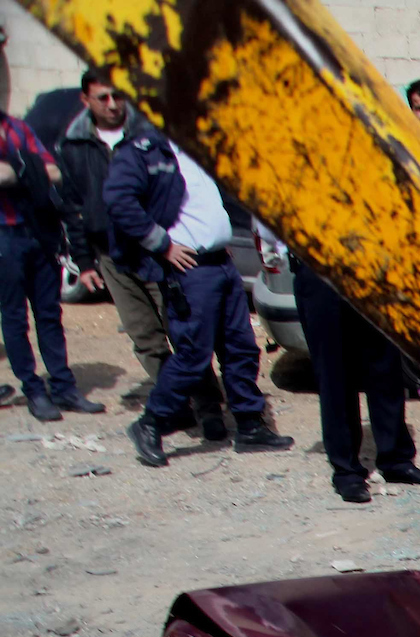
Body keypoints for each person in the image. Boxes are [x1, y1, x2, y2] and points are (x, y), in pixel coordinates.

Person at [107, 127, 290, 464]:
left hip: (221, 263)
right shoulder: (146, 149)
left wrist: (219, 240)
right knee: (193, 354)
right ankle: (151, 423)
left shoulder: (195, 146)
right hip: (191, 270)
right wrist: (162, 245)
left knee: (240, 346)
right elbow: (119, 201)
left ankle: (250, 425)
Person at [59, 71, 202, 420]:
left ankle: (208, 404)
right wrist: (85, 262)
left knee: (182, 330)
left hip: (158, 250)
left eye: (118, 95)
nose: (112, 104)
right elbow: (73, 207)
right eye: (103, 98)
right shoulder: (74, 146)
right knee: (145, 336)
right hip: (112, 256)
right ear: (85, 100)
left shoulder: (149, 134)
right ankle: (176, 406)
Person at [290, 252, 420, 502]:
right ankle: (346, 471)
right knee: (334, 375)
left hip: (368, 263)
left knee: (385, 367)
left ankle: (396, 459)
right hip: (319, 266)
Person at [0, 103, 98, 422]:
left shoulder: (18, 127)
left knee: (49, 313)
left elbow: (54, 172)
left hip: (39, 231)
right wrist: (29, 169)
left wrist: (19, 170)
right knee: (15, 317)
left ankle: (63, 387)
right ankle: (34, 390)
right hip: (4, 236)